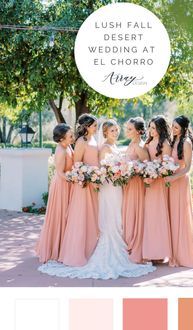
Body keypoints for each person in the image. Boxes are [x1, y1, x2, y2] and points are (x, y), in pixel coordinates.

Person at [38, 119, 156, 279]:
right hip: (106, 184)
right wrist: (100, 175)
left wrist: (121, 171)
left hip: (113, 184)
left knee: (115, 215)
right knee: (109, 214)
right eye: (112, 130)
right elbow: (96, 166)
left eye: (117, 130)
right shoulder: (100, 146)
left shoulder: (109, 145)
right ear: (104, 132)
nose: (116, 133)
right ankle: (104, 246)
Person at [58, 113, 99, 267]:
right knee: (82, 217)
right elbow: (77, 164)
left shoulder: (94, 139)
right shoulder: (82, 141)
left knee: (92, 217)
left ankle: (90, 249)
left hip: (94, 183)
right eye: (94, 125)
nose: (96, 128)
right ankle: (77, 253)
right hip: (84, 184)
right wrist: (90, 176)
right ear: (87, 127)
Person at [36, 123, 74, 263]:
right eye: (70, 135)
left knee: (67, 216)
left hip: (68, 183)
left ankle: (65, 246)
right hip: (62, 185)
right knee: (61, 215)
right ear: (62, 138)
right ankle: (55, 249)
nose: (72, 136)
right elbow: (59, 172)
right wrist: (75, 179)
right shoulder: (61, 150)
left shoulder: (68, 146)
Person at [165, 115, 193, 268]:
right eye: (172, 126)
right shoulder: (174, 141)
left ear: (184, 128)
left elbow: (187, 168)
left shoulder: (186, 143)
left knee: (180, 217)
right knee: (172, 216)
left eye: (176, 127)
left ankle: (183, 255)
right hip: (171, 182)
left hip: (180, 182)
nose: (173, 129)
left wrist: (174, 178)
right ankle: (173, 253)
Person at [143, 116, 172, 264]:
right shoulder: (148, 142)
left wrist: (153, 176)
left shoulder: (165, 143)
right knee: (149, 217)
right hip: (147, 183)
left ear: (160, 128)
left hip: (158, 183)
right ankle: (150, 251)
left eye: (154, 128)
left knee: (157, 216)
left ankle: (159, 252)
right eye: (150, 127)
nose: (151, 130)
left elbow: (166, 166)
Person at [122, 117, 149, 263]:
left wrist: (132, 168)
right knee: (128, 213)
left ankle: (135, 245)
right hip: (128, 184)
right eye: (127, 128)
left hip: (136, 185)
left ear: (139, 131)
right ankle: (128, 243)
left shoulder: (139, 146)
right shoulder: (132, 143)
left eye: (130, 129)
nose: (127, 131)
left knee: (134, 213)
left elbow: (147, 166)